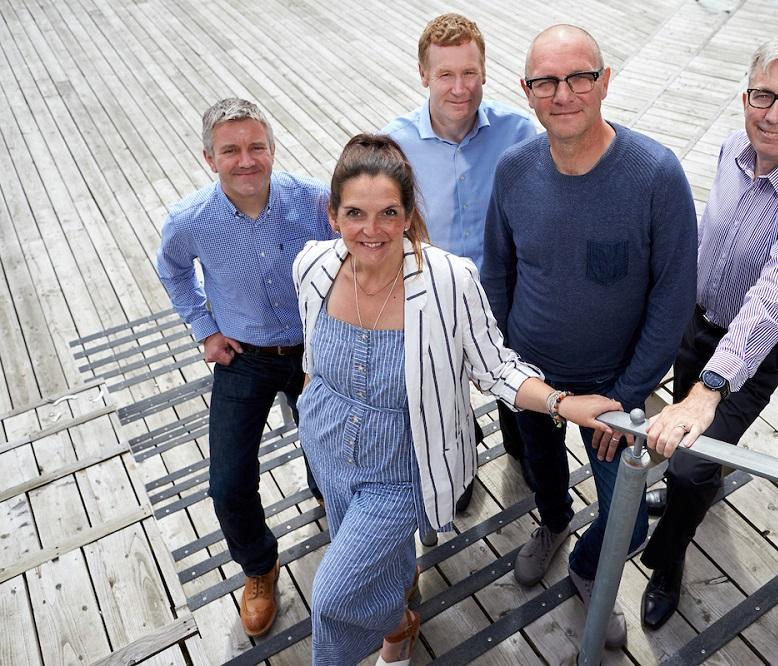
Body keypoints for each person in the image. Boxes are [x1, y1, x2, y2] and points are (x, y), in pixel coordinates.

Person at [293, 134, 621, 666]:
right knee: (384, 563)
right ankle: (400, 625)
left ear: (407, 216)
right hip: (326, 445)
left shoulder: (449, 280)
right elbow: (311, 350)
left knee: (333, 597)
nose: (371, 230)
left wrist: (565, 403)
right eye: (354, 213)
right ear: (332, 216)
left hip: (402, 465)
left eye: (387, 213)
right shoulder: (312, 266)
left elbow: (496, 369)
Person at [481, 25, 698, 648]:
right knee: (541, 474)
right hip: (532, 378)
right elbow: (498, 270)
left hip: (615, 388)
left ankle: (587, 565)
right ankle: (552, 526)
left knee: (626, 523)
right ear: (527, 92)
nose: (564, 93)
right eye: (546, 81)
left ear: (605, 82)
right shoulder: (514, 170)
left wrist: (629, 396)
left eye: (579, 77)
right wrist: (507, 365)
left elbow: (672, 296)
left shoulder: (654, 174)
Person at [638, 36, 778, 630]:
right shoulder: (734, 146)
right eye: (764, 95)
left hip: (755, 353)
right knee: (686, 453)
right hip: (698, 321)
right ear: (745, 97)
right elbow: (708, 239)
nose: (774, 114)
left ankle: (668, 559)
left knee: (689, 464)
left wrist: (709, 389)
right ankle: (686, 498)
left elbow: (776, 298)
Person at [156, 98, 331, 637]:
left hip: (315, 349)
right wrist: (205, 329)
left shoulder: (314, 200)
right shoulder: (191, 221)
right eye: (231, 150)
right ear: (210, 158)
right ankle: (259, 567)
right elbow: (173, 271)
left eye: (257, 146)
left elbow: (355, 254)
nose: (246, 160)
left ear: (273, 149)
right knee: (228, 482)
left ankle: (333, 504)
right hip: (244, 357)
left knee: (332, 456)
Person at [384, 13, 539, 506]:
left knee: (519, 391)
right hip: (433, 293)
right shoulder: (397, 144)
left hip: (507, 290)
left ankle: (523, 451)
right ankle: (460, 466)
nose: (459, 87)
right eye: (445, 74)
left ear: (485, 71)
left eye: (469, 72)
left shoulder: (519, 132)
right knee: (446, 398)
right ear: (423, 73)